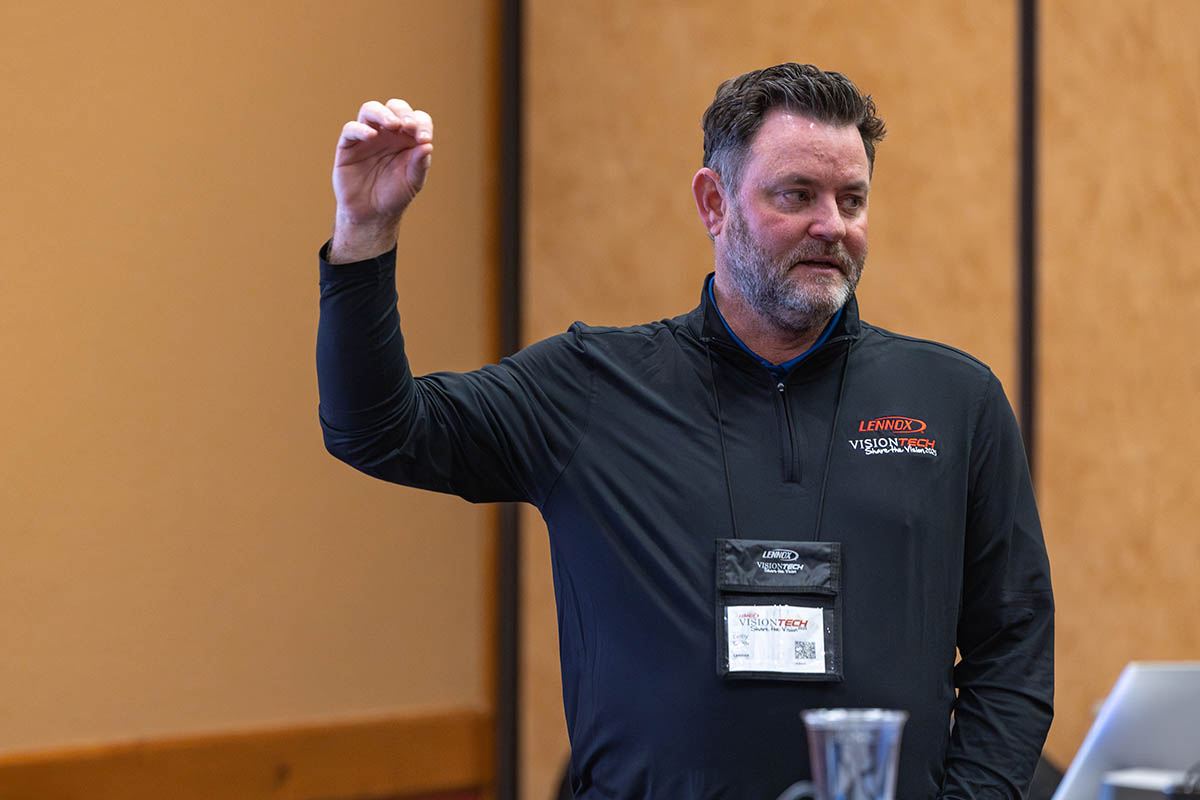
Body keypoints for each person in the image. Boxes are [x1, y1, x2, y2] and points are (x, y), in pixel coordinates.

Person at [316, 63, 1053, 799]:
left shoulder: (954, 401)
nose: (832, 225)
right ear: (714, 202)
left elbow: (1013, 643)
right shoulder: (592, 387)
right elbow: (376, 429)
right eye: (797, 194)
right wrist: (365, 232)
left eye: (851, 200)